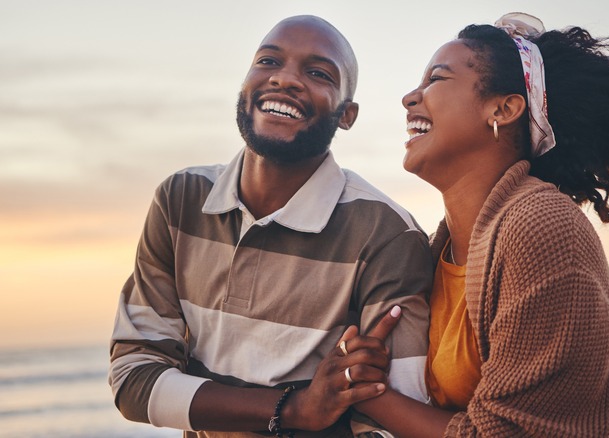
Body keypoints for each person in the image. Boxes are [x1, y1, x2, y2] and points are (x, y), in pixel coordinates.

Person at [348, 12, 609, 437]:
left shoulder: (540, 227)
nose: (410, 97)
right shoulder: (439, 250)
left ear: (504, 108)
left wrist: (369, 394)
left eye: (436, 79)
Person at [108, 15, 432, 437]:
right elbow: (133, 380)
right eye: (268, 61)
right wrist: (294, 409)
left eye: (317, 73)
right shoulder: (180, 201)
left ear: (346, 115)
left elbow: (391, 422)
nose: (285, 79)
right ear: (244, 85)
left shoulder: (386, 232)